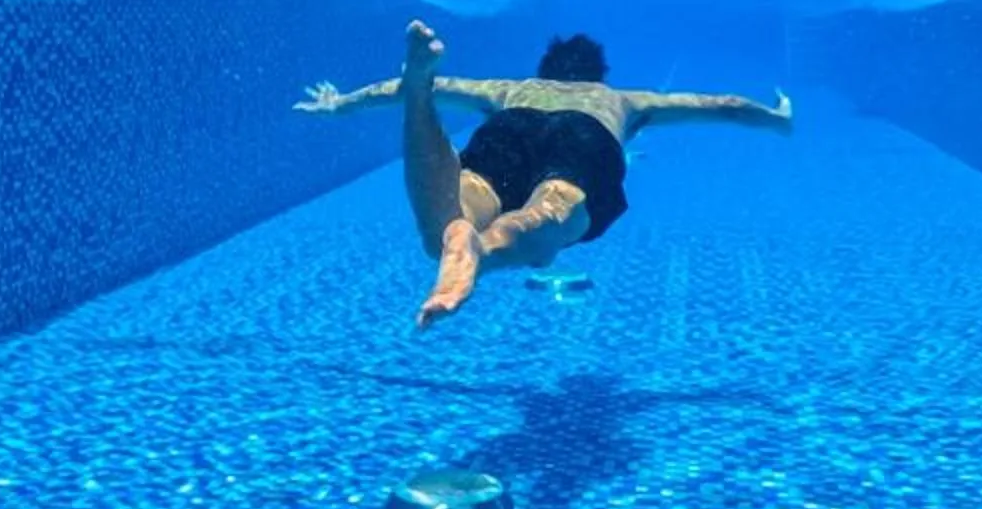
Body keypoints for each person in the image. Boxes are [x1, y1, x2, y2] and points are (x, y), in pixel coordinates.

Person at [297, 22, 792, 327]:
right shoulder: (619, 99)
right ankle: (484, 254)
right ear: (598, 74)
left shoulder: (511, 86)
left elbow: (392, 88)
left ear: (545, 69)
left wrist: (341, 104)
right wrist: (776, 117)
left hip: (510, 125)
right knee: (548, 215)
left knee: (458, 201)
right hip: (583, 135)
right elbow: (722, 106)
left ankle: (457, 231)